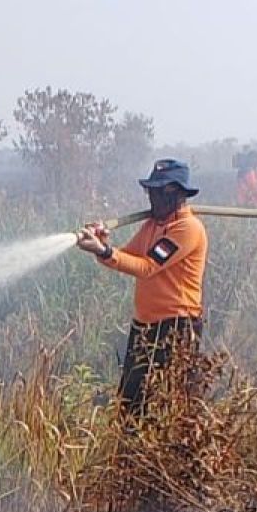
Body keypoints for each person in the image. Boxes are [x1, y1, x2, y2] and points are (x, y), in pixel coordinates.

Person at [76, 159, 208, 420]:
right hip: (145, 326)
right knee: (131, 401)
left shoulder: (187, 229)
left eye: (161, 192)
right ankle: (128, 456)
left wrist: (104, 251)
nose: (154, 199)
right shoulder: (152, 226)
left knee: (170, 404)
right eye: (152, 192)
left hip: (175, 328)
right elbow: (125, 256)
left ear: (178, 194)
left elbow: (147, 267)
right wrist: (103, 243)